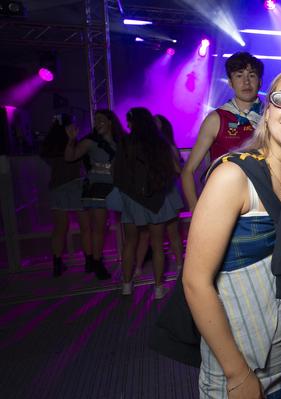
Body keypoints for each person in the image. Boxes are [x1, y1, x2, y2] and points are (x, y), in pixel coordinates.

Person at [183, 65, 281, 399]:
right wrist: (236, 374)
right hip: (238, 366)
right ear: (268, 110)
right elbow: (195, 282)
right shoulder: (233, 176)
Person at [182, 52, 265, 212]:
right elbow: (188, 171)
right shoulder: (217, 118)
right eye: (239, 75)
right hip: (225, 203)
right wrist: (195, 210)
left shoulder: (271, 117)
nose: (246, 81)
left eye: (252, 75)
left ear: (260, 82)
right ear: (230, 82)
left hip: (264, 203)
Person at [112, 107, 179, 299]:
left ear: (133, 122)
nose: (128, 125)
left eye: (129, 122)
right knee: (158, 244)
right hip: (156, 199)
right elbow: (174, 170)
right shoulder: (160, 142)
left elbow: (116, 173)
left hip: (132, 200)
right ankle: (158, 288)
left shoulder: (125, 142)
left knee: (130, 243)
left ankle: (126, 285)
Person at [64, 109, 125, 280]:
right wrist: (71, 141)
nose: (97, 123)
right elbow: (70, 157)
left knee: (108, 227)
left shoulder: (120, 142)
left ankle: (93, 261)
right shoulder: (91, 142)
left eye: (101, 120)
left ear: (110, 122)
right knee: (98, 228)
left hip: (116, 188)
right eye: (95, 120)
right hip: (96, 188)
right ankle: (96, 262)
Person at [133, 114, 185, 278]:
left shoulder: (166, 146)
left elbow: (178, 171)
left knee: (171, 233)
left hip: (167, 192)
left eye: (156, 123)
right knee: (147, 234)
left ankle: (179, 267)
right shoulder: (149, 146)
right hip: (154, 193)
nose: (152, 126)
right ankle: (138, 269)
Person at [40, 113, 92, 277]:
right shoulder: (73, 143)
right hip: (76, 186)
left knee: (59, 229)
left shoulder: (50, 146)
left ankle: (57, 264)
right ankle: (89, 262)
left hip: (56, 188)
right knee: (86, 227)